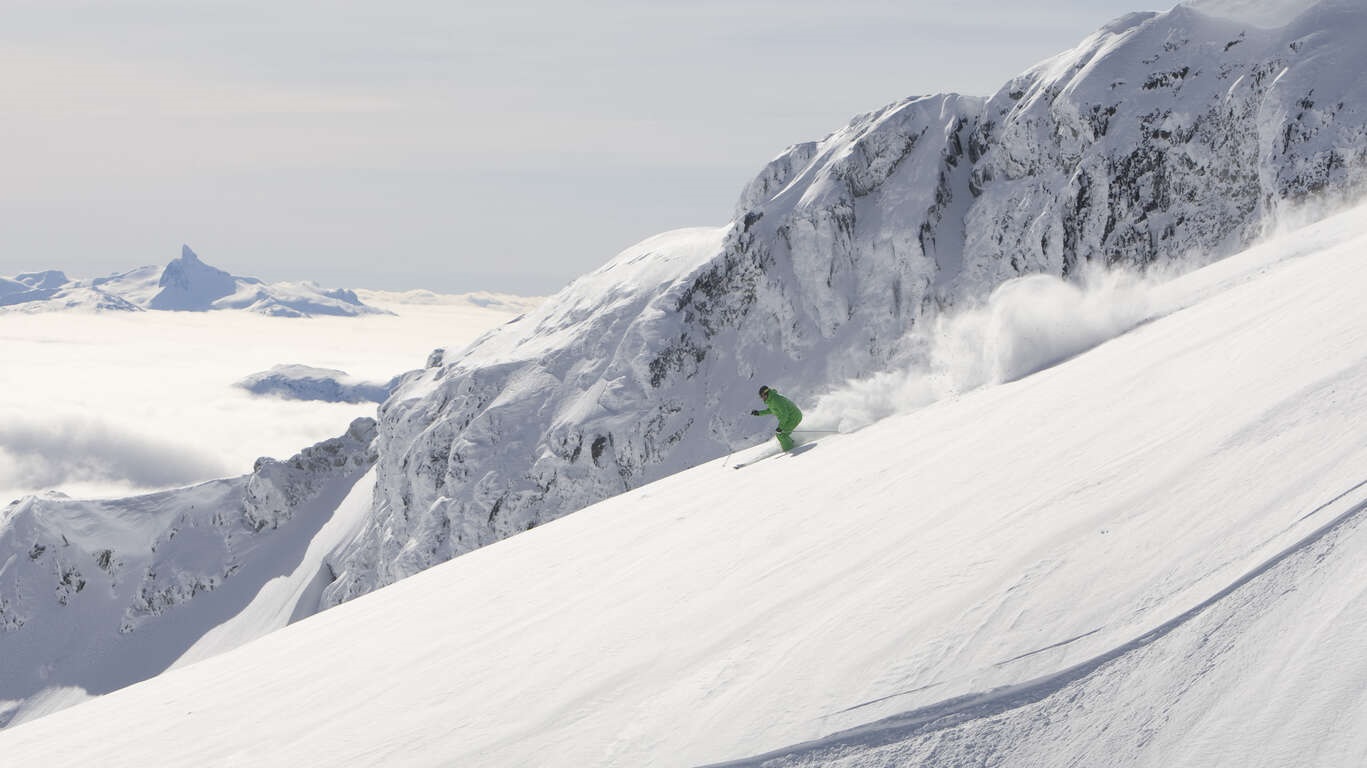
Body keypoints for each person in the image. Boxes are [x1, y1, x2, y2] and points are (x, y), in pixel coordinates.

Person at [750, 385, 802, 451]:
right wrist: (759, 413)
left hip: (794, 417)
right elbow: (771, 410)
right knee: (780, 434)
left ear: (766, 393)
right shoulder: (770, 400)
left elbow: (785, 414)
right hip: (789, 418)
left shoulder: (776, 399)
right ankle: (791, 445)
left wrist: (780, 427)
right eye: (761, 396)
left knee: (781, 434)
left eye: (762, 396)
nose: (762, 398)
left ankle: (790, 449)